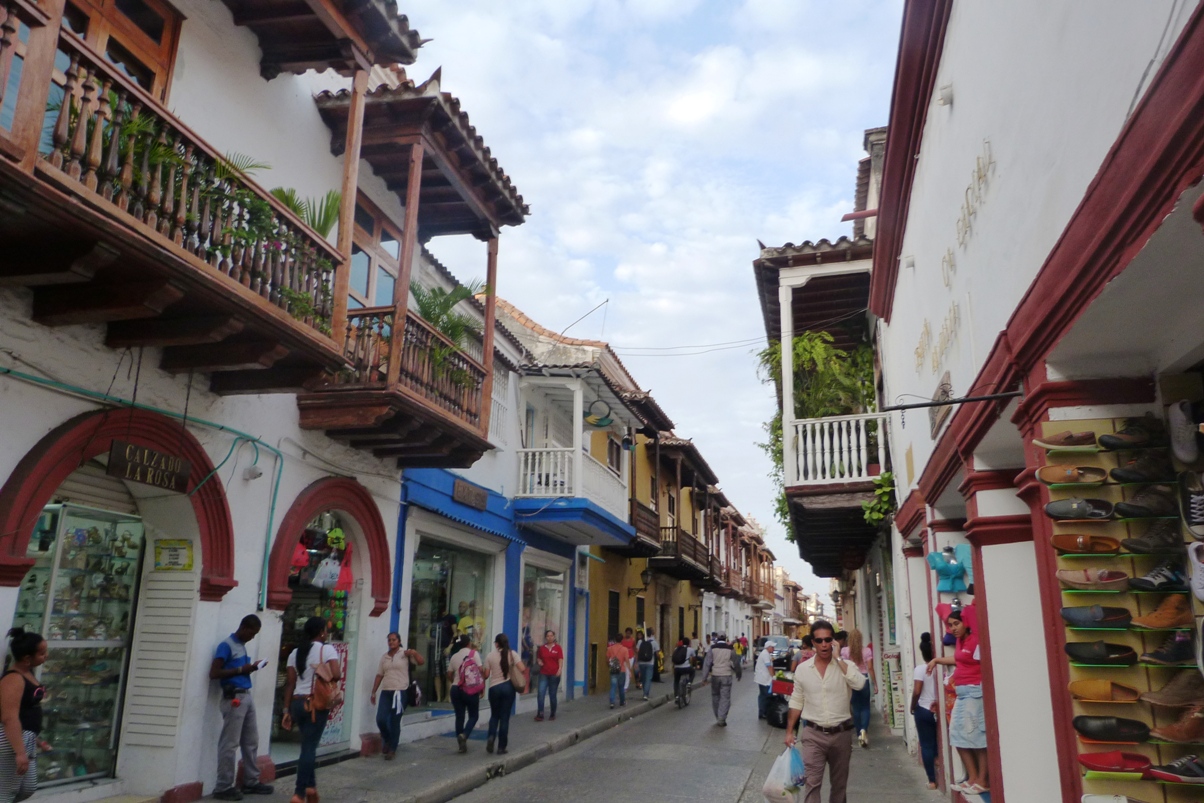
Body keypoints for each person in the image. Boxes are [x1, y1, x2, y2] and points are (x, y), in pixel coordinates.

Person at [784, 621, 866, 803]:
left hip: (841, 734)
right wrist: (790, 731)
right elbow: (796, 701)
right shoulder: (803, 669)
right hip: (813, 734)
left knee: (839, 786)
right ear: (813, 642)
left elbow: (859, 684)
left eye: (828, 640)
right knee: (812, 784)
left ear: (834, 642)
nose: (824, 644)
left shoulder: (846, 666)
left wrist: (838, 659)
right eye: (819, 640)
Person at [210, 614, 273, 799]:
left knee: (251, 740)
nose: (252, 637)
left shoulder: (241, 646)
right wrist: (240, 669)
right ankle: (223, 786)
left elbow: (240, 671)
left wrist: (252, 667)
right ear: (244, 628)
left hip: (245, 694)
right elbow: (214, 672)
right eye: (252, 633)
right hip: (234, 697)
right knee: (230, 743)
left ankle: (251, 781)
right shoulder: (226, 645)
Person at [928, 610, 988, 795]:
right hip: (962, 694)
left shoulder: (976, 640)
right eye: (950, 625)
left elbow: (984, 661)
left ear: (966, 623)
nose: (953, 628)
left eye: (957, 623)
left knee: (976, 736)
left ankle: (983, 780)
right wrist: (936, 660)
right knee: (957, 735)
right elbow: (958, 658)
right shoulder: (961, 642)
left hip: (974, 692)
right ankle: (972, 777)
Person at [281, 617, 340, 803]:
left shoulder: (295, 652)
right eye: (325, 630)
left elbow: (290, 683)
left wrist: (286, 710)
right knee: (309, 748)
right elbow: (337, 674)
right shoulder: (326, 649)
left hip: (297, 703)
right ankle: (299, 793)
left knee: (308, 745)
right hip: (315, 704)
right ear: (322, 632)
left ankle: (311, 788)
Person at [0, 628, 48, 803]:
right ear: (27, 658)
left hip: (26, 737)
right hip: (11, 739)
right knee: (6, 792)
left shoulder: (28, 674)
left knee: (28, 787)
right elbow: (9, 717)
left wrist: (36, 740)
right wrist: (19, 752)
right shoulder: (14, 679)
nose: (46, 656)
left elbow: (26, 710)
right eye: (42, 653)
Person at [370, 632, 424, 760]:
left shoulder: (404, 654)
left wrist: (414, 653)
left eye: (394, 640)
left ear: (399, 641)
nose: (391, 642)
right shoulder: (384, 657)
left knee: (395, 721)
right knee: (381, 719)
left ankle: (392, 749)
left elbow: (421, 662)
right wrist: (373, 692)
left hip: (400, 692)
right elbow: (379, 675)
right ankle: (388, 739)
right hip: (386, 692)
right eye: (389, 640)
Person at [483, 633, 525, 755]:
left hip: (494, 688)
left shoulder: (490, 656)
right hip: (508, 687)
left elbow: (486, 675)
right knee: (504, 718)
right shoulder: (512, 654)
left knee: (494, 715)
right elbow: (522, 668)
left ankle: (491, 737)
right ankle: (501, 747)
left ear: (496, 644)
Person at [910, 633, 939, 790]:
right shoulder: (940, 667)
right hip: (938, 708)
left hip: (923, 709)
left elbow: (917, 691)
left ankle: (932, 781)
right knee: (937, 740)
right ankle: (938, 760)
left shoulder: (920, 669)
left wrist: (912, 706)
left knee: (926, 745)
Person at [447, 635, 483, 753]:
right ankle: (465, 735)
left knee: (459, 716)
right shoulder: (474, 654)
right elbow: (480, 671)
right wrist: (480, 686)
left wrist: (456, 681)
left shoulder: (454, 656)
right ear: (469, 643)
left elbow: (449, 674)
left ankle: (460, 744)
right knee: (474, 715)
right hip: (470, 689)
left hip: (456, 689)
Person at [841, 629, 877, 748]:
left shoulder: (845, 651)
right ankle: (863, 730)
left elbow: (843, 666)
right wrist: (875, 683)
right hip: (864, 678)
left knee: (855, 708)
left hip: (852, 680)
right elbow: (870, 668)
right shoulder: (867, 651)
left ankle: (858, 734)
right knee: (865, 707)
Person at [699, 633, 739, 726]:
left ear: (717, 638)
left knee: (715, 696)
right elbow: (736, 662)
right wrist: (738, 673)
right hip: (726, 675)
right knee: (725, 697)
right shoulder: (730, 649)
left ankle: (718, 715)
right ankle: (722, 718)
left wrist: (704, 678)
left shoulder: (712, 649)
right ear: (725, 638)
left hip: (715, 675)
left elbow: (707, 663)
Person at [534, 629, 563, 721]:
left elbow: (560, 659)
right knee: (541, 693)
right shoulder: (542, 648)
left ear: (554, 637)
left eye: (551, 636)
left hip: (554, 674)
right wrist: (539, 661)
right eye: (548, 636)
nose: (549, 638)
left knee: (552, 694)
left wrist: (560, 669)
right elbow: (538, 658)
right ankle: (540, 713)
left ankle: (552, 713)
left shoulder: (558, 648)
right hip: (544, 673)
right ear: (545, 637)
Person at [606, 633, 630, 709]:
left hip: (613, 670)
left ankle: (612, 702)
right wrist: (629, 671)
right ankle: (622, 702)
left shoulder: (610, 648)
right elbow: (627, 660)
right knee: (621, 687)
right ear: (622, 640)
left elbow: (607, 659)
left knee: (613, 686)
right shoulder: (625, 649)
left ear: (615, 639)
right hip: (621, 670)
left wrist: (609, 665)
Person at [754, 641, 776, 720]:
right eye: (772, 647)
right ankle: (763, 712)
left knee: (763, 695)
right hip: (764, 679)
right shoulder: (765, 654)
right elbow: (769, 667)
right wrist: (774, 676)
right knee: (766, 696)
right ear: (768, 647)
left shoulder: (766, 654)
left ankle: (762, 712)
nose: (773, 649)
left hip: (763, 678)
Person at [636, 627, 659, 700]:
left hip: (641, 662)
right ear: (651, 634)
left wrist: (636, 662)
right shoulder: (654, 642)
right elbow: (657, 654)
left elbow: (637, 651)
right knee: (648, 679)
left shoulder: (640, 641)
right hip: (650, 662)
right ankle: (645, 694)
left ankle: (644, 691)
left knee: (643, 678)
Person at [671, 637, 695, 703]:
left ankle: (676, 696)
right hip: (686, 668)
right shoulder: (690, 649)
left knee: (676, 681)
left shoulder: (676, 649)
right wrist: (694, 665)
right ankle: (689, 683)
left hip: (677, 668)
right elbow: (694, 658)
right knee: (693, 671)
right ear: (688, 643)